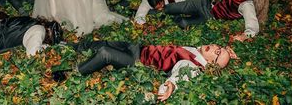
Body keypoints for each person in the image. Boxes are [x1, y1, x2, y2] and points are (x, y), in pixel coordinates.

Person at [53, 40, 237, 102]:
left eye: (217, 52)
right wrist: (229, 51)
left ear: (211, 63)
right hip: (138, 48)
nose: (214, 47)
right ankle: (71, 45)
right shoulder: (197, 51)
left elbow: (180, 75)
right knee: (104, 42)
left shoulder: (194, 66)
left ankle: (73, 72)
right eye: (217, 46)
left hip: (137, 60)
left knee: (105, 53)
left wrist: (170, 86)